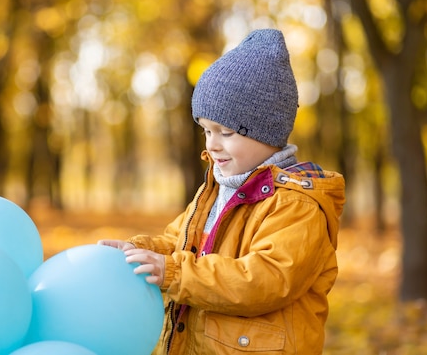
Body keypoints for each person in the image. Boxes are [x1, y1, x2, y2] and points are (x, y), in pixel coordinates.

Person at [99, 28, 345, 354]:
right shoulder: (217, 189)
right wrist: (137, 252)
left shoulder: (296, 205)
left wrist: (172, 272)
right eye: (206, 130)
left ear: (268, 132)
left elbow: (264, 280)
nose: (212, 144)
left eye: (226, 132)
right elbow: (179, 242)